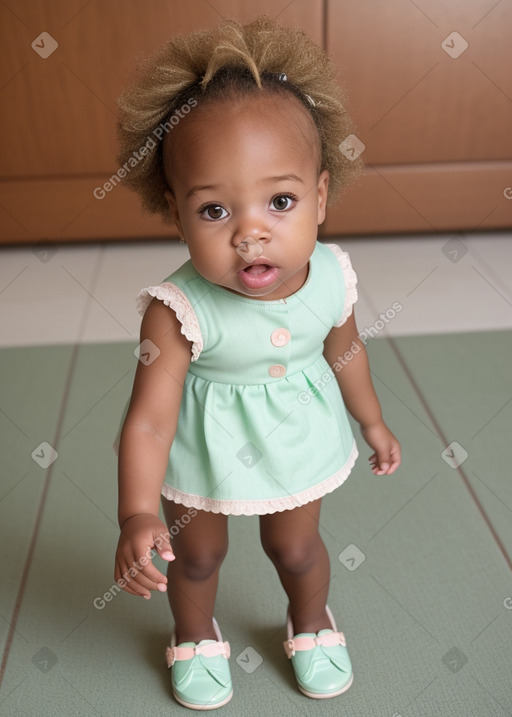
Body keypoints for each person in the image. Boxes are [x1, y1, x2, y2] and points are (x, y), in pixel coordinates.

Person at [114, 16, 401, 711]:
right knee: (198, 555)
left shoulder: (333, 276)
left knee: (297, 547)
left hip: (299, 432)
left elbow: (345, 350)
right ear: (177, 219)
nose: (251, 232)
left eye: (280, 200)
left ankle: (310, 622)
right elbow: (150, 421)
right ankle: (193, 633)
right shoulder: (177, 309)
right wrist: (135, 512)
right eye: (214, 209)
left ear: (322, 195)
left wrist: (372, 419)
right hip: (200, 447)